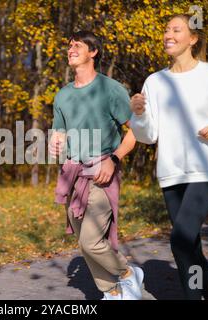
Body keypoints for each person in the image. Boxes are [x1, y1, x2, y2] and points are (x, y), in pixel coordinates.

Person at [129, 14, 208, 300]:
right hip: (171, 173)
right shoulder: (155, 82)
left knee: (181, 239)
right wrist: (138, 113)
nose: (168, 35)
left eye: (176, 29)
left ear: (193, 38)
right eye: (166, 30)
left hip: (207, 170)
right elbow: (148, 134)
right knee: (190, 243)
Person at [49, 31, 143, 300]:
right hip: (72, 173)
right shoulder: (62, 95)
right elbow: (59, 133)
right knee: (86, 243)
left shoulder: (110, 89)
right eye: (68, 46)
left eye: (77, 45)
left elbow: (134, 130)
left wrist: (114, 160)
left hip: (102, 170)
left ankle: (128, 274)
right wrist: (55, 142)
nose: (70, 49)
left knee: (91, 241)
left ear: (93, 52)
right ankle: (112, 292)